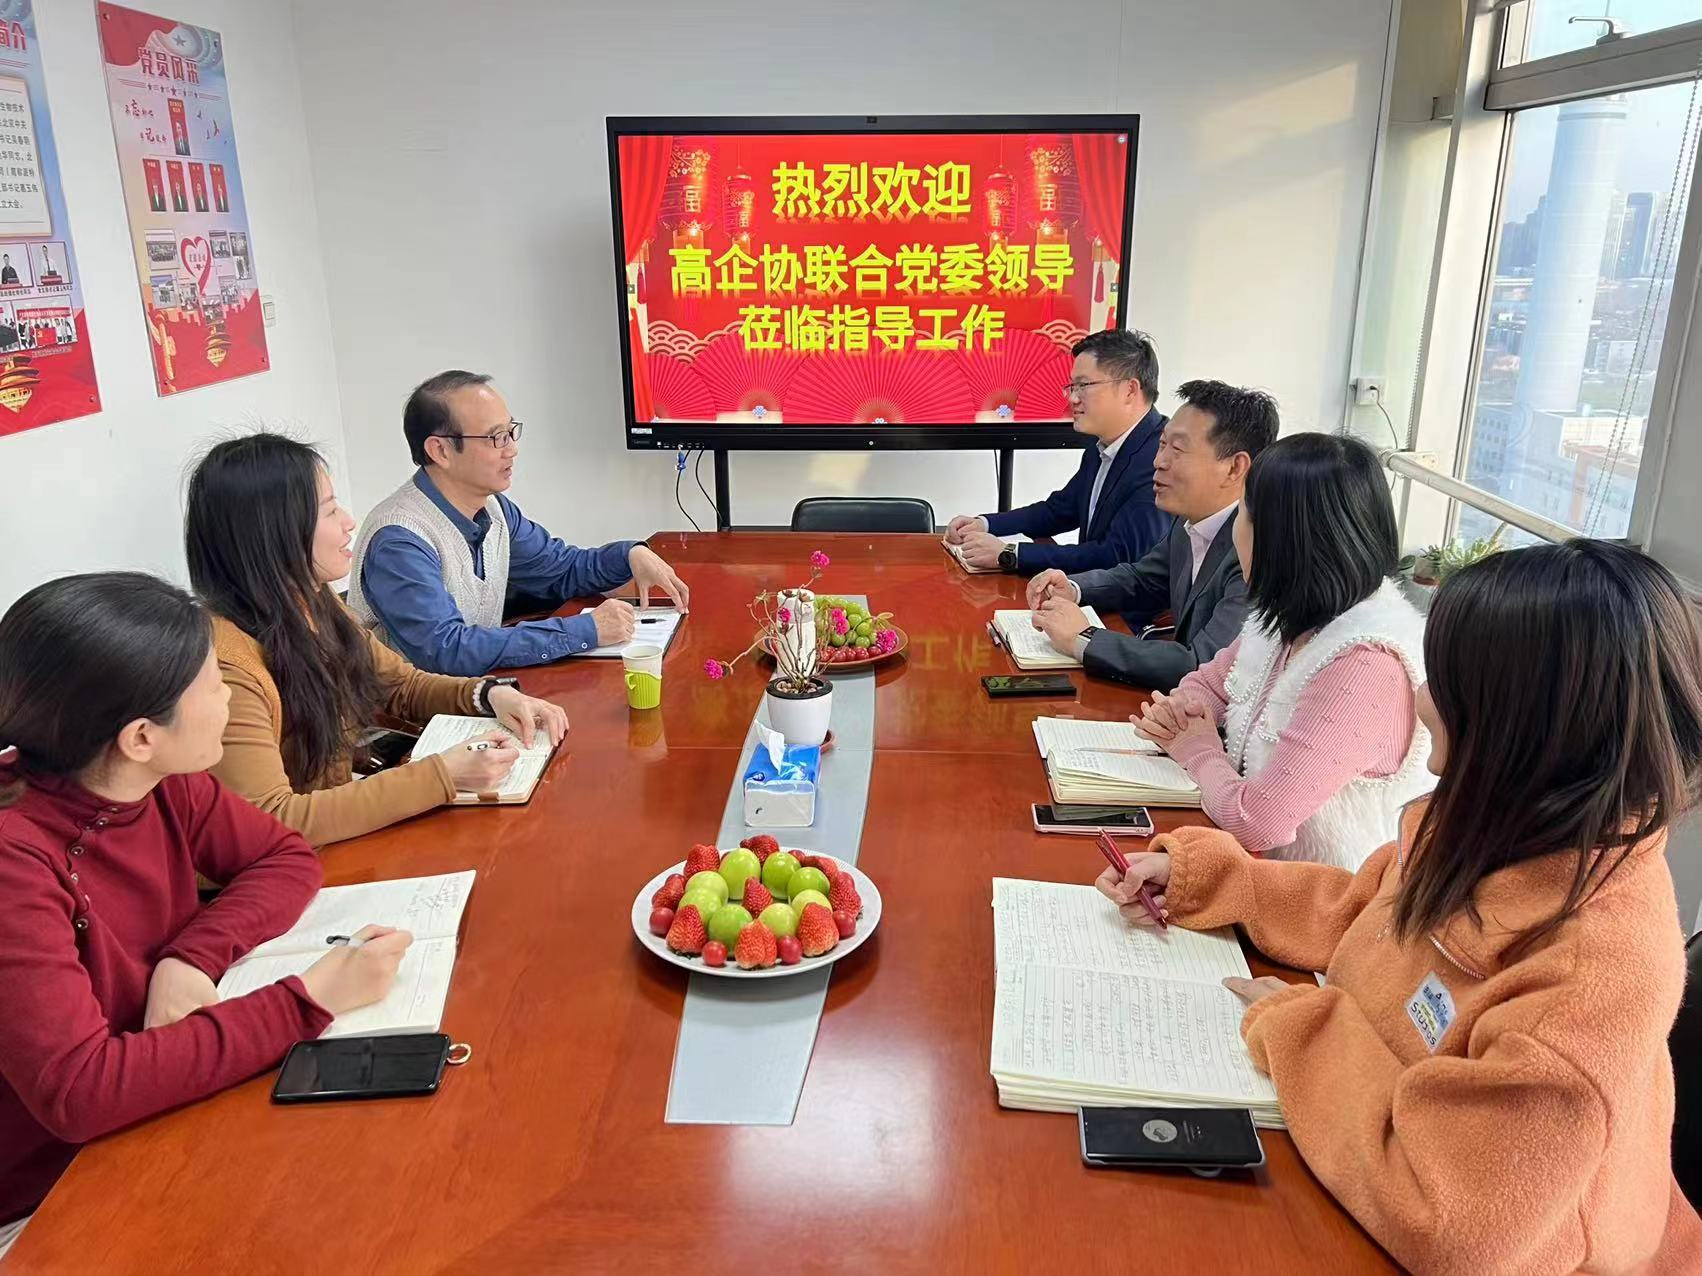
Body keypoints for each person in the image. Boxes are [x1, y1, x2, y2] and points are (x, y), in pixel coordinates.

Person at [1096, 541, 1702, 1273]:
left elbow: (1452, 1221)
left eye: (1446, 680)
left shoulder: (1590, 972)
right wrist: (1210, 880)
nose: (1419, 699)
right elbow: (1365, 910)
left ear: (1523, 720)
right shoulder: (1501, 822)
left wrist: (1299, 1027)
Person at [0, 572, 412, 1249]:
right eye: (212, 684)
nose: (229, 696)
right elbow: (80, 1092)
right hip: (51, 1196)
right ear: (140, 737)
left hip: (157, 1113)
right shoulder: (16, 858)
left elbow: (284, 857)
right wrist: (309, 999)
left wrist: (190, 957)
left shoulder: (159, 781)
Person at [186, 433, 568, 849]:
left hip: (335, 845)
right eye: (330, 510)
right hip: (290, 867)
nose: (349, 521)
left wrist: (490, 695)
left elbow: (402, 685)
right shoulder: (228, 668)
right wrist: (443, 775)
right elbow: (273, 818)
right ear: (272, 534)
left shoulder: (312, 603)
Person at [1133, 434, 1431, 869]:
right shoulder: (1293, 615)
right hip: (1260, 874)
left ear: (1280, 539)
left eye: (1243, 514)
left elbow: (1258, 821)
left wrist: (1196, 747)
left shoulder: (1366, 663)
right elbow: (1207, 684)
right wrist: (1183, 713)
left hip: (1329, 900)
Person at [345, 370, 691, 675]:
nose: (512, 449)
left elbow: (560, 569)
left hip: (480, 692)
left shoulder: (493, 508)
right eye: (496, 438)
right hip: (417, 719)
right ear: (441, 451)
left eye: (511, 432)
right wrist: (585, 630)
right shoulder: (399, 540)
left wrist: (630, 554)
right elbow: (447, 651)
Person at [1024, 379, 1278, 691]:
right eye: (1162, 444)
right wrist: (1074, 588)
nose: (1159, 462)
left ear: (1235, 468)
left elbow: (1203, 665)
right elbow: (1142, 580)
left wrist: (1085, 638)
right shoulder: (1190, 521)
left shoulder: (1257, 549)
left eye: (1178, 449)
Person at [944, 329, 1170, 574]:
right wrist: (984, 524)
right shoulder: (1101, 446)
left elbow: (1116, 557)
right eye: (1072, 386)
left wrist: (1010, 553)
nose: (1072, 398)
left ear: (1130, 390)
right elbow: (1059, 511)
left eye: (1084, 385)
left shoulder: (1160, 459)